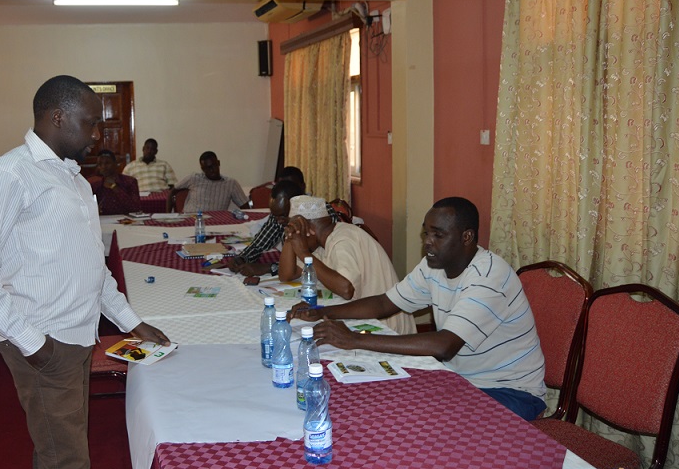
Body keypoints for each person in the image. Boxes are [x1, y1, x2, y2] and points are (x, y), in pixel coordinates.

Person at [0, 75, 169, 469]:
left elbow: (94, 269)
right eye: (90, 123)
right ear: (57, 117)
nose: (96, 135)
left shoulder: (73, 179)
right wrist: (33, 344)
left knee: (63, 455)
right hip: (44, 343)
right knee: (66, 465)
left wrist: (131, 322)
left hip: (74, 339)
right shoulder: (9, 172)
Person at [289, 196, 546, 421]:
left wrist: (354, 339)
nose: (428, 243)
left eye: (438, 235)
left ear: (467, 237)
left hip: (511, 391)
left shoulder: (489, 276)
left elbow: (444, 345)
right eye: (426, 234)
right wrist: (324, 311)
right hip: (460, 379)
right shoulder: (433, 266)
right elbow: (383, 303)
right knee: (386, 401)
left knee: (420, 419)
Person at [281, 195, 416, 335]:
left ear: (310, 230)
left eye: (296, 233)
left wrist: (303, 253)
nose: (295, 239)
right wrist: (289, 237)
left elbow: (346, 289)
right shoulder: (321, 244)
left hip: (386, 327)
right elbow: (287, 275)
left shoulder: (343, 239)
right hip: (361, 318)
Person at [224, 167, 340, 276]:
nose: (280, 221)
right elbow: (260, 244)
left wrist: (270, 268)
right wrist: (241, 258)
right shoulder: (281, 214)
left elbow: (320, 260)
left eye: (284, 215)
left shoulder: (321, 213)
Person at [169, 151, 249, 213]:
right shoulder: (193, 178)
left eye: (212, 166)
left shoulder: (231, 183)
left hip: (216, 222)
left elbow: (246, 208)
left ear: (218, 163)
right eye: (206, 168)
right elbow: (171, 192)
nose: (210, 170)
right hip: (190, 219)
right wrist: (167, 214)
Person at [89, 150, 142, 215]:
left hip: (127, 221)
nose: (103, 167)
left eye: (107, 163)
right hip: (104, 222)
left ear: (115, 164)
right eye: (100, 164)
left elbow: (136, 208)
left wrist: (114, 187)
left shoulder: (130, 182)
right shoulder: (95, 185)